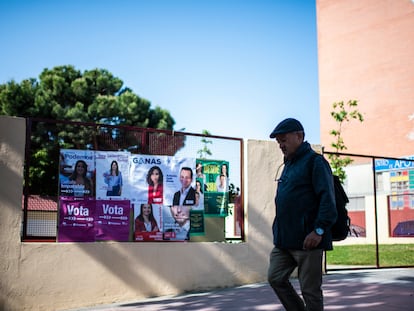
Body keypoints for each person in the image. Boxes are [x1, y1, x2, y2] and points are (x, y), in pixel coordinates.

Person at [267, 118, 337, 311]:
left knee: (310, 291)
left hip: (309, 240)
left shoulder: (315, 162)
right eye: (278, 142)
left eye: (283, 140)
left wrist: (319, 230)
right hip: (284, 240)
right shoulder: (289, 163)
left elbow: (328, 201)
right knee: (275, 278)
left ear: (299, 136)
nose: (281, 145)